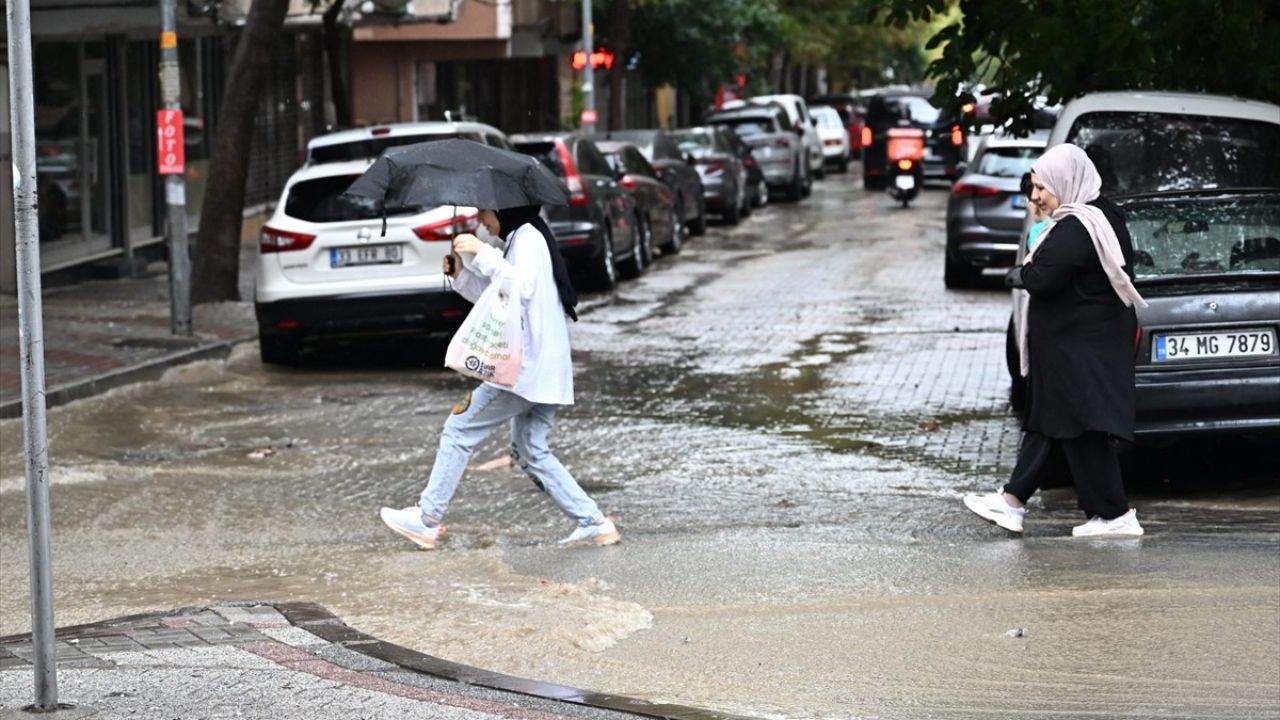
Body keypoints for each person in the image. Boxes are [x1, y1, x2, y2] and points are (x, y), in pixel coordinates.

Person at [379, 205, 620, 549]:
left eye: (485, 211)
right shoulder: (522, 238)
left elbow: (520, 287)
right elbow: (502, 296)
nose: (481, 219)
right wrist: (461, 275)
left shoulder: (528, 239)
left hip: (526, 370)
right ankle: (593, 522)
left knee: (459, 428)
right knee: (530, 450)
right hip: (543, 368)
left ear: (505, 207)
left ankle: (427, 519)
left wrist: (482, 251)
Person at [965, 143, 1148, 538]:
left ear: (1066, 182)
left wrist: (1025, 266)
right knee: (1067, 426)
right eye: (1033, 188)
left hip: (1077, 349)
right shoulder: (1102, 216)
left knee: (1065, 424)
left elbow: (1042, 278)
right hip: (1080, 347)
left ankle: (1019, 503)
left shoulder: (1077, 226)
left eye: (1042, 188)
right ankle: (1108, 514)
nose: (1035, 197)